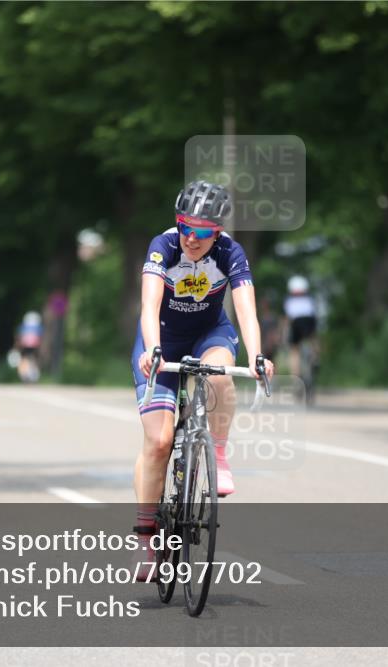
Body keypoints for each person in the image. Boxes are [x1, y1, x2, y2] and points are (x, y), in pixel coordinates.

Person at [131, 180, 274, 574]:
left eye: (202, 232)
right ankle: (145, 538)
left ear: (218, 232)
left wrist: (258, 355)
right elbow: (149, 303)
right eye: (184, 227)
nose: (191, 239)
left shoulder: (231, 252)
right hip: (161, 338)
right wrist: (153, 348)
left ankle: (220, 454)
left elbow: (246, 310)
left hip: (210, 332)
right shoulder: (164, 247)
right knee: (158, 443)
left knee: (220, 376)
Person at [283, 275, 318, 380]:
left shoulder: (289, 300)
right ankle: (315, 357)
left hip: (296, 323)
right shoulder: (310, 299)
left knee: (294, 350)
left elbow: (287, 319)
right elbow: (314, 315)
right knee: (313, 338)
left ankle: (296, 376)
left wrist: (284, 335)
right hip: (309, 321)